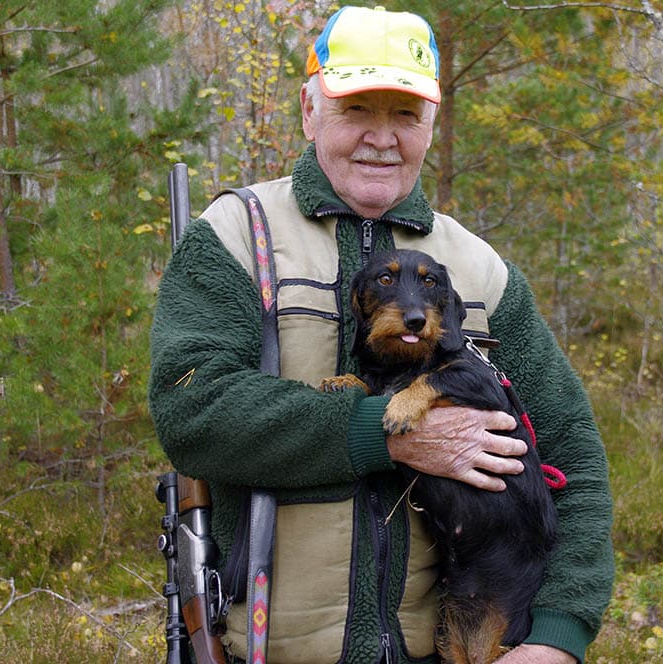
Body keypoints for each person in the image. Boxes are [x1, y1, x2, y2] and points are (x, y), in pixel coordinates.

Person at [148, 5, 614, 664]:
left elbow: (577, 463)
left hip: (452, 647)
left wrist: (559, 635)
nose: (381, 137)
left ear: (430, 126)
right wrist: (384, 435)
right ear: (309, 113)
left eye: (404, 115)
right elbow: (193, 411)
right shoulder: (232, 239)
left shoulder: (481, 271)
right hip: (264, 650)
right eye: (357, 110)